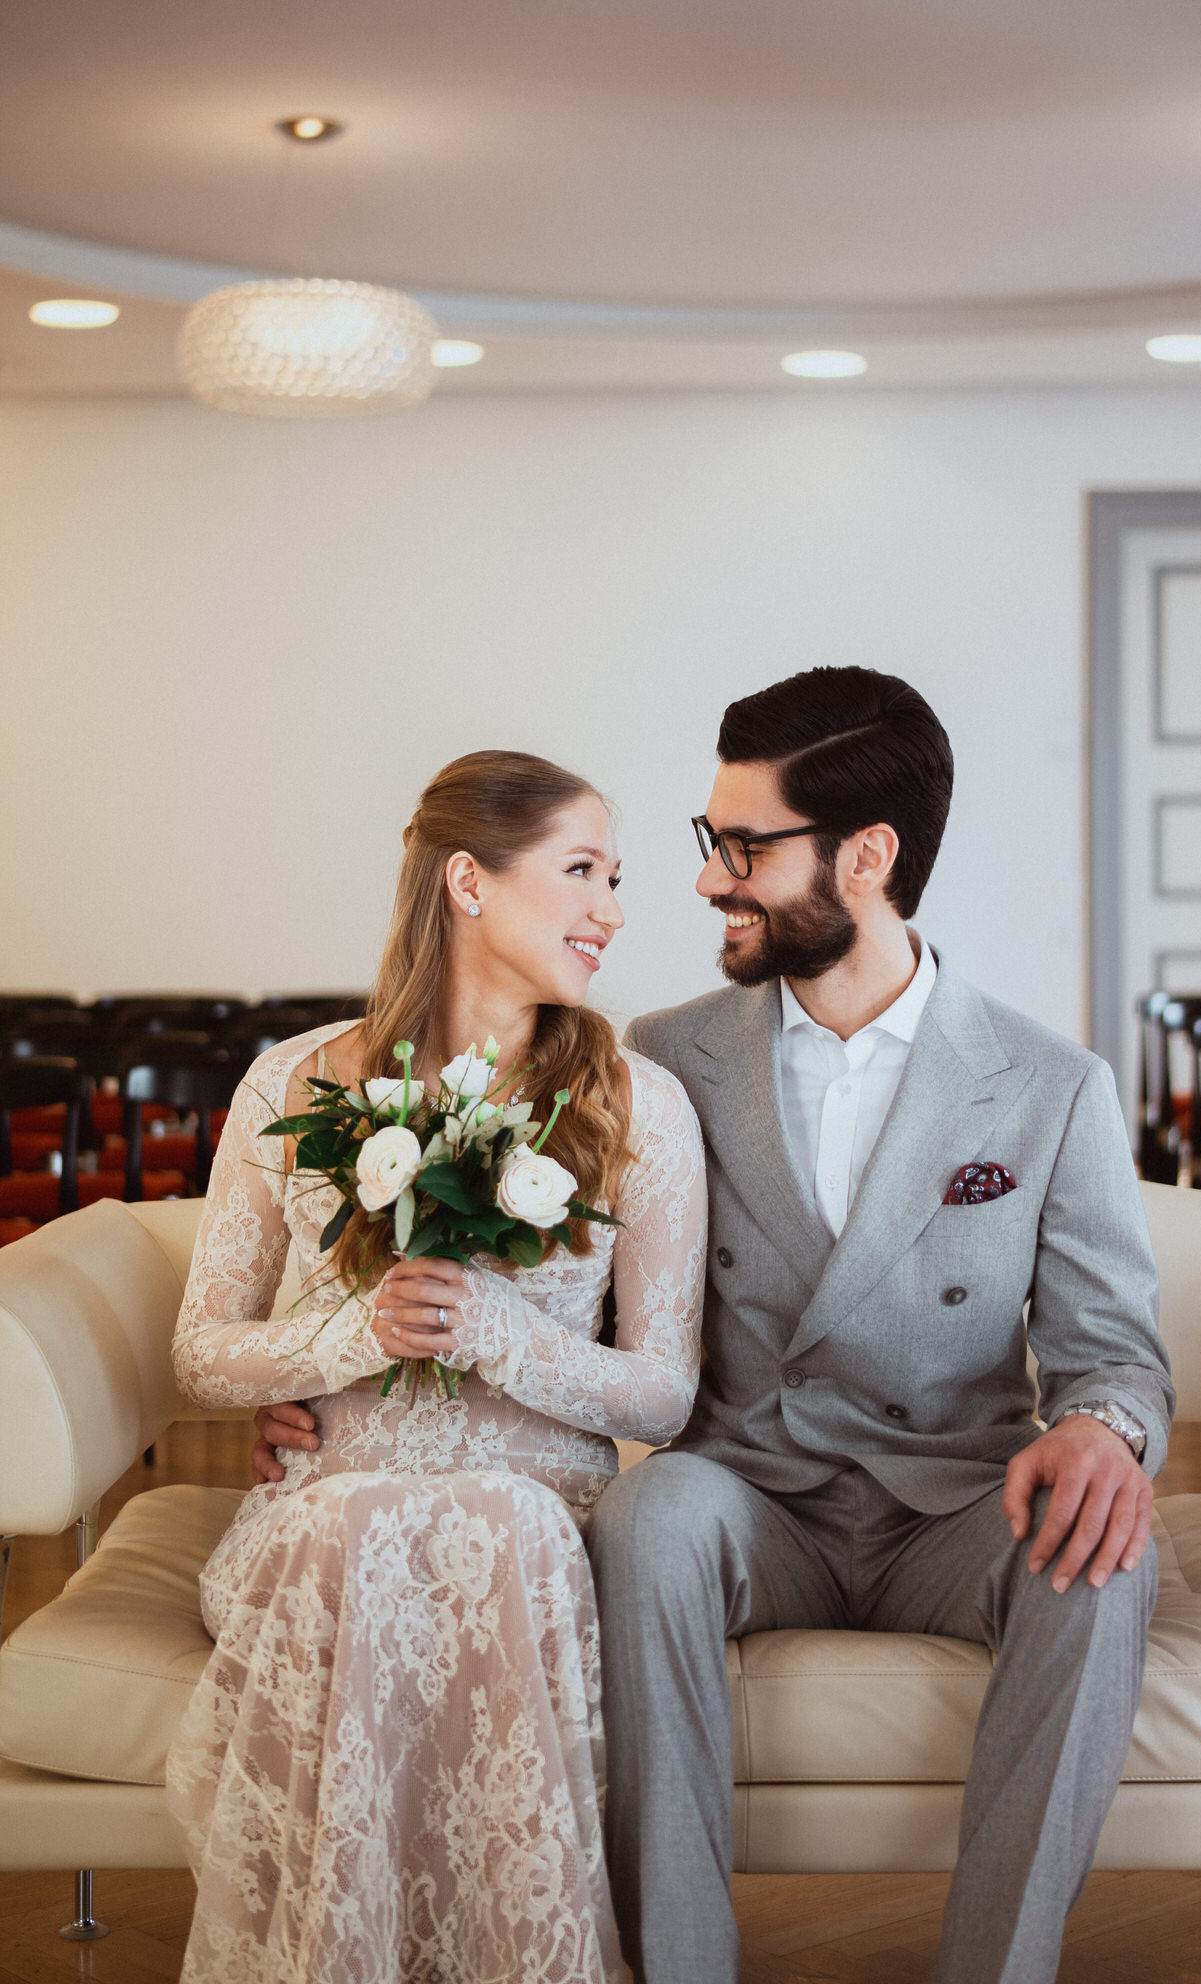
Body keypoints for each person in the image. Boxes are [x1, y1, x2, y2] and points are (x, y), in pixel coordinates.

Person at [256, 667, 1174, 1984]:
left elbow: (1114, 1349)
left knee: (1103, 1556)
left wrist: (1100, 1426)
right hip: (752, 1493)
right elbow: (537, 1296)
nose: (700, 882)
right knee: (650, 1517)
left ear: (864, 858)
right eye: (708, 842)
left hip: (953, 1500)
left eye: (741, 848)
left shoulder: (1048, 1085)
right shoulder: (657, 1059)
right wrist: (331, 1382)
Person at [168, 750, 707, 1984]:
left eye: (614, 876)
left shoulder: (642, 1106)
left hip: (537, 1526)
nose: (613, 907)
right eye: (582, 870)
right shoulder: (293, 1081)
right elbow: (203, 1349)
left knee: (497, 1526)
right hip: (324, 1518)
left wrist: (499, 1336)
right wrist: (360, 1333)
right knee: (353, 1526)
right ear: (468, 879)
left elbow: (664, 1392)